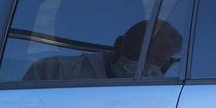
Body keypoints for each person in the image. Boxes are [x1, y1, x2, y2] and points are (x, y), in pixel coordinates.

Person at [23, 19, 183, 81]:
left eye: (156, 61)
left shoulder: (171, 86)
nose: (145, 64)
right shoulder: (54, 73)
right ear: (118, 45)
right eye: (138, 54)